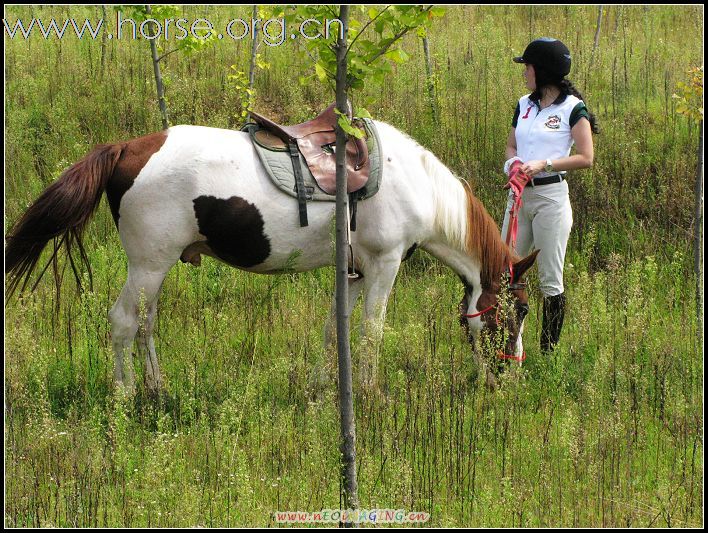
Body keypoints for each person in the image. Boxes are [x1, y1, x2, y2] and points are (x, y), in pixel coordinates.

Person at [501, 37, 598, 353]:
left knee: (549, 281)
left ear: (541, 71)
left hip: (550, 199)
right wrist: (513, 165)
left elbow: (586, 157)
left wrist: (545, 163)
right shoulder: (523, 104)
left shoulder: (573, 110)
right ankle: (510, 345)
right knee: (505, 272)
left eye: (527, 66)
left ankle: (547, 352)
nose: (524, 72)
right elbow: (511, 147)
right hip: (518, 198)